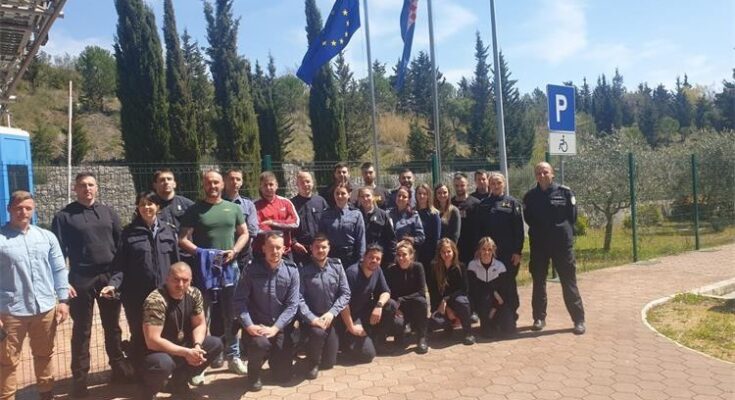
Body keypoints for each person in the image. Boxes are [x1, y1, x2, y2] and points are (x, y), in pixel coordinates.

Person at [51, 172, 132, 397]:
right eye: (82, 185)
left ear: (97, 188)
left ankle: (118, 369)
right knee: (82, 330)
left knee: (112, 326)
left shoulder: (109, 213)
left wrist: (117, 279)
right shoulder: (64, 217)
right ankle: (79, 380)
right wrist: (62, 284)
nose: (87, 189)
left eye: (91, 185)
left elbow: (120, 247)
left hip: (108, 279)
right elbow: (57, 254)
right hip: (81, 279)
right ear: (75, 188)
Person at [179, 170, 250, 377]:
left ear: (222, 185)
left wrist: (235, 251)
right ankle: (199, 364)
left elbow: (244, 233)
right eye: (209, 183)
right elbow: (182, 238)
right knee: (203, 316)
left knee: (232, 314)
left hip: (230, 268)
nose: (213, 186)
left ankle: (234, 356)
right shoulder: (195, 210)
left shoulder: (234, 208)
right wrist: (203, 254)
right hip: (205, 271)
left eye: (216, 182)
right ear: (204, 185)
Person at [0, 191, 70, 400]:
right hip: (10, 312)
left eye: (28, 208)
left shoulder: (46, 237)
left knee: (45, 355)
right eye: (18, 208)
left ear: (33, 210)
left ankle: (46, 394)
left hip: (45, 309)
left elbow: (59, 269)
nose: (23, 212)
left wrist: (63, 301)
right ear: (9, 209)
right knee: (6, 361)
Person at [103, 191, 181, 371]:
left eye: (150, 203)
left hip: (164, 294)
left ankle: (167, 371)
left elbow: (176, 264)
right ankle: (141, 373)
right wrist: (113, 284)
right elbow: (120, 265)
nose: (146, 207)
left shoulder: (169, 231)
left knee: (168, 332)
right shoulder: (128, 233)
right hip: (137, 297)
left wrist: (180, 287)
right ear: (137, 208)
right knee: (139, 335)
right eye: (142, 204)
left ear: (158, 207)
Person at [139, 262, 223, 400]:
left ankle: (179, 384)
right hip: (155, 352)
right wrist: (186, 353)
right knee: (163, 364)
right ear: (167, 279)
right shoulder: (156, 300)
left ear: (191, 280)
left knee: (215, 344)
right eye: (176, 279)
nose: (181, 284)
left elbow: (200, 324)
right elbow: (152, 341)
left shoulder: (194, 293)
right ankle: (148, 392)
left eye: (185, 280)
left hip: (182, 346)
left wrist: (197, 346)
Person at [523, 162, 586, 335]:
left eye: (545, 172)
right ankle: (539, 318)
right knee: (538, 282)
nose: (542, 175)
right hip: (539, 245)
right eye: (538, 173)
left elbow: (572, 217)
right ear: (535, 176)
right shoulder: (530, 196)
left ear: (552, 174)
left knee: (569, 282)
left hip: (561, 245)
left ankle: (578, 320)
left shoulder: (565, 193)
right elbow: (528, 218)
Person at [234, 232, 300, 391]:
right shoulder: (251, 269)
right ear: (264, 248)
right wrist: (249, 325)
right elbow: (239, 301)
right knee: (260, 344)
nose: (274, 251)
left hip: (279, 327)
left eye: (278, 247)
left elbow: (292, 305)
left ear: (284, 249)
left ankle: (274, 359)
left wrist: (275, 328)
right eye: (271, 247)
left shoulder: (292, 271)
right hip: (256, 326)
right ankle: (254, 373)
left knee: (283, 376)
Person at [475, 172, 524, 331]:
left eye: (499, 183)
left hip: (508, 254)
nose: (496, 186)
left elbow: (519, 229)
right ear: (489, 185)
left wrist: (517, 251)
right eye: (493, 183)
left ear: (504, 184)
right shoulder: (484, 204)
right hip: (489, 255)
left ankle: (511, 315)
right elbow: (479, 230)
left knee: (509, 285)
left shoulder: (512, 203)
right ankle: (492, 318)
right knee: (490, 285)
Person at [297, 234, 351, 380]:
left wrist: (332, 313)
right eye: (317, 247)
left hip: (331, 317)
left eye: (323, 247)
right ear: (311, 248)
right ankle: (313, 363)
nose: (320, 250)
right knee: (317, 333)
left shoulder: (337, 266)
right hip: (312, 319)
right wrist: (312, 319)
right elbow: (299, 298)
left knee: (329, 363)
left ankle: (317, 350)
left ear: (329, 248)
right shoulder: (303, 270)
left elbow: (345, 293)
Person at [338, 244, 393, 364]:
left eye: (378, 258)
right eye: (371, 257)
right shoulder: (352, 273)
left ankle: (377, 341)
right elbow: (343, 303)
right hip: (350, 316)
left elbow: (386, 292)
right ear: (364, 257)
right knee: (368, 355)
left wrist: (378, 306)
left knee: (390, 305)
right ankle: (346, 341)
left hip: (365, 311)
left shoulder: (377, 270)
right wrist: (351, 327)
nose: (374, 261)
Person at [384, 241, 429, 354]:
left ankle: (421, 338)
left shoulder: (418, 267)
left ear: (411, 255)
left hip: (414, 304)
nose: (401, 258)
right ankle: (401, 331)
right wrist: (396, 306)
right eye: (398, 255)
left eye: (404, 255)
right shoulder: (391, 270)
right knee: (399, 339)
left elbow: (421, 291)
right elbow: (388, 292)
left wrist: (401, 299)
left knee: (422, 301)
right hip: (399, 307)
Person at [430, 238, 474, 345]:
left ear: (454, 251)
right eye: (443, 252)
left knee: (462, 302)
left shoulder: (461, 267)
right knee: (436, 322)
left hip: (456, 300)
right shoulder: (434, 268)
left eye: (448, 251)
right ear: (439, 253)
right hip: (441, 303)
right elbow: (433, 291)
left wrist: (446, 299)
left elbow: (464, 289)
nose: (446, 254)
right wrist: (446, 309)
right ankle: (448, 329)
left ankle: (468, 333)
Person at [253, 171, 300, 260]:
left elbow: (295, 222)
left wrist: (272, 223)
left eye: (271, 184)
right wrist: (283, 228)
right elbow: (256, 227)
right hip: (262, 253)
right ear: (260, 187)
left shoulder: (286, 202)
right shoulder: (254, 205)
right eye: (265, 185)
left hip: (284, 252)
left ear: (276, 185)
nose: (268, 187)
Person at [467, 237, 507, 338]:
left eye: (489, 249)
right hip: (480, 301)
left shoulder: (500, 267)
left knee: (509, 327)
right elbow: (473, 289)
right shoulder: (472, 266)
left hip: (497, 302)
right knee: (485, 296)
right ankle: (485, 324)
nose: (486, 252)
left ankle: (492, 322)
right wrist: (493, 291)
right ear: (479, 250)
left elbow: (503, 293)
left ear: (493, 251)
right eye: (484, 249)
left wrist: (494, 308)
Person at [319, 183, 366, 267]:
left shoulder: (356, 214)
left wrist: (361, 259)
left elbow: (361, 239)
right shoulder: (326, 214)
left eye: (343, 193)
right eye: (337, 193)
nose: (339, 196)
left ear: (349, 195)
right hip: (332, 256)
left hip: (351, 257)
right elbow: (321, 236)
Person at [222, 168, 260, 269]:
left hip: (243, 256)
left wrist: (238, 247)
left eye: (238, 179)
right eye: (231, 179)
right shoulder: (217, 203)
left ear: (242, 182)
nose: (235, 182)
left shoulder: (248, 205)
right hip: (222, 253)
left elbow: (252, 230)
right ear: (224, 181)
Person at [291, 171, 329, 264]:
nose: (305, 185)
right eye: (302, 182)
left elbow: (328, 224)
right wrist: (294, 243)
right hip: (300, 251)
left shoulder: (321, 201)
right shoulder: (291, 204)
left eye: (308, 181)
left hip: (320, 249)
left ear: (313, 183)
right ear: (297, 184)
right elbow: (287, 227)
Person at [415, 183, 441, 306]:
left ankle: (435, 311)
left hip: (429, 256)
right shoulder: (412, 212)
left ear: (429, 195)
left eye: (424, 194)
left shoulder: (434, 214)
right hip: (415, 255)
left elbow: (436, 238)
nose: (421, 196)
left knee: (432, 285)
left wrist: (434, 257)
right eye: (419, 193)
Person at [357, 187, 396, 268]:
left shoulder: (383, 215)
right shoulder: (356, 214)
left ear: (373, 197)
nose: (365, 199)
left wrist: (391, 260)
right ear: (359, 199)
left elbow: (391, 239)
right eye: (362, 196)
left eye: (368, 196)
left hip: (379, 259)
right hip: (361, 258)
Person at [451, 173, 480, 265]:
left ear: (467, 185)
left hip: (471, 249)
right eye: (457, 185)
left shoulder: (476, 204)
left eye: (462, 185)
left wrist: (478, 248)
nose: (459, 188)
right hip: (454, 248)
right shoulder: (449, 203)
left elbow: (480, 228)